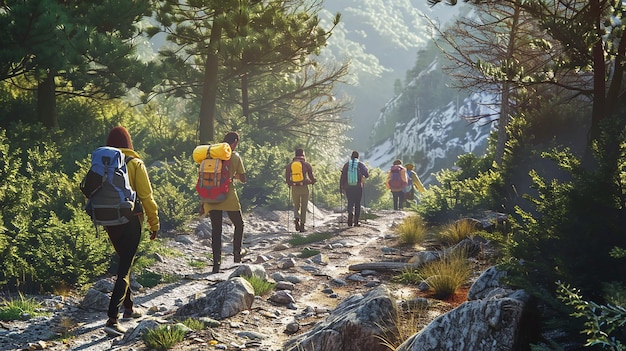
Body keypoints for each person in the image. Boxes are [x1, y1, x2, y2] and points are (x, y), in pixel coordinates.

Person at [103, 126, 160, 337]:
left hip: (109, 221)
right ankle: (112, 318)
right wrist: (154, 224)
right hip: (131, 220)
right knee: (125, 268)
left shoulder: (104, 164)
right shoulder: (135, 163)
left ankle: (129, 308)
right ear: (129, 143)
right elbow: (147, 197)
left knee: (125, 261)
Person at [201, 132, 247, 273]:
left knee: (216, 230)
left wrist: (202, 202)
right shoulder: (235, 156)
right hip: (228, 196)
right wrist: (234, 175)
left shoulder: (211, 156)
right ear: (234, 142)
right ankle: (237, 255)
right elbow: (243, 178)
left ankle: (216, 264)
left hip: (210, 196)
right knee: (239, 224)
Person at [285, 148, 316, 232]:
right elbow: (311, 177)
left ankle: (296, 218)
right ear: (303, 154)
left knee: (296, 205)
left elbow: (287, 179)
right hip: (304, 187)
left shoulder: (290, 165)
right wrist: (312, 181)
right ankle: (302, 225)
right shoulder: (306, 165)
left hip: (294, 188)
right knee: (304, 206)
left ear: (295, 155)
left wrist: (290, 184)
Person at [340, 151, 369, 227]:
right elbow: (367, 175)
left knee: (350, 202)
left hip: (348, 187)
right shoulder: (360, 164)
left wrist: (341, 188)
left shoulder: (346, 165)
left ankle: (350, 218)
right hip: (358, 187)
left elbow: (342, 177)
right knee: (357, 203)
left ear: (351, 157)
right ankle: (356, 221)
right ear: (358, 157)